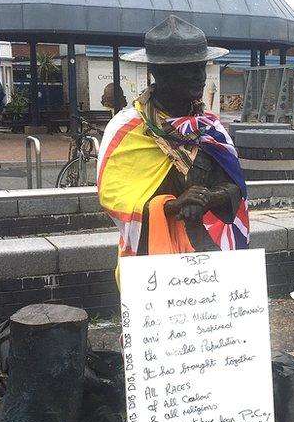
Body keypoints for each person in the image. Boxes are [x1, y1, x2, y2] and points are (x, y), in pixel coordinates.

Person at [97, 15, 249, 269]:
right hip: (154, 259)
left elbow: (235, 188)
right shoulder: (128, 128)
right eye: (188, 68)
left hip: (207, 251)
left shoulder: (210, 128)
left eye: (202, 66)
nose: (199, 76)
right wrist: (172, 206)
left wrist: (210, 198)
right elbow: (114, 198)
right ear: (158, 72)